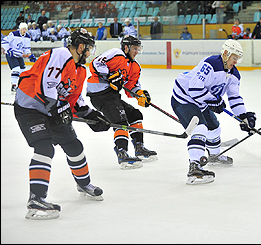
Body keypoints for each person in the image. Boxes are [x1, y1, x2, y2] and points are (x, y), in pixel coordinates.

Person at [13, 28, 111, 220]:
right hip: (29, 108)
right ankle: (36, 199)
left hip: (51, 111)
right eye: (89, 48)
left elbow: (74, 100)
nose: (90, 53)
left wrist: (93, 116)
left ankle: (84, 184)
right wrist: (57, 110)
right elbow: (45, 87)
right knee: (44, 148)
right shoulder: (61, 54)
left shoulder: (80, 70)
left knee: (74, 146)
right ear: (80, 46)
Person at [171, 39, 257, 185]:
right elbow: (194, 88)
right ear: (225, 54)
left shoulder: (234, 75)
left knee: (214, 128)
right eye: (234, 57)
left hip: (201, 101)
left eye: (238, 58)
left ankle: (214, 156)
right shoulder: (210, 64)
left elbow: (234, 97)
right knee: (200, 128)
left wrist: (244, 116)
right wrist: (213, 100)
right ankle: (195, 168)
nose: (236, 62)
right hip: (184, 98)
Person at [86, 35, 157, 170]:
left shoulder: (135, 66)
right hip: (99, 93)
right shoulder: (116, 54)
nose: (137, 51)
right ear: (126, 47)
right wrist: (109, 75)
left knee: (135, 115)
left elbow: (131, 88)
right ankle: (122, 153)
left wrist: (140, 95)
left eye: (138, 49)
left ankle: (139, 148)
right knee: (120, 120)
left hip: (112, 95)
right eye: (135, 48)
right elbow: (95, 63)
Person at [1, 22, 36, 93]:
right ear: (20, 29)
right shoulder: (13, 34)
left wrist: (30, 55)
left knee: (23, 71)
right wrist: (8, 49)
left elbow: (26, 48)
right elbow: (4, 42)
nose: (24, 30)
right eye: (23, 29)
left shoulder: (27, 37)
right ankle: (14, 86)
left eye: (25, 29)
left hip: (19, 56)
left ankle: (22, 86)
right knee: (16, 69)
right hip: (11, 55)